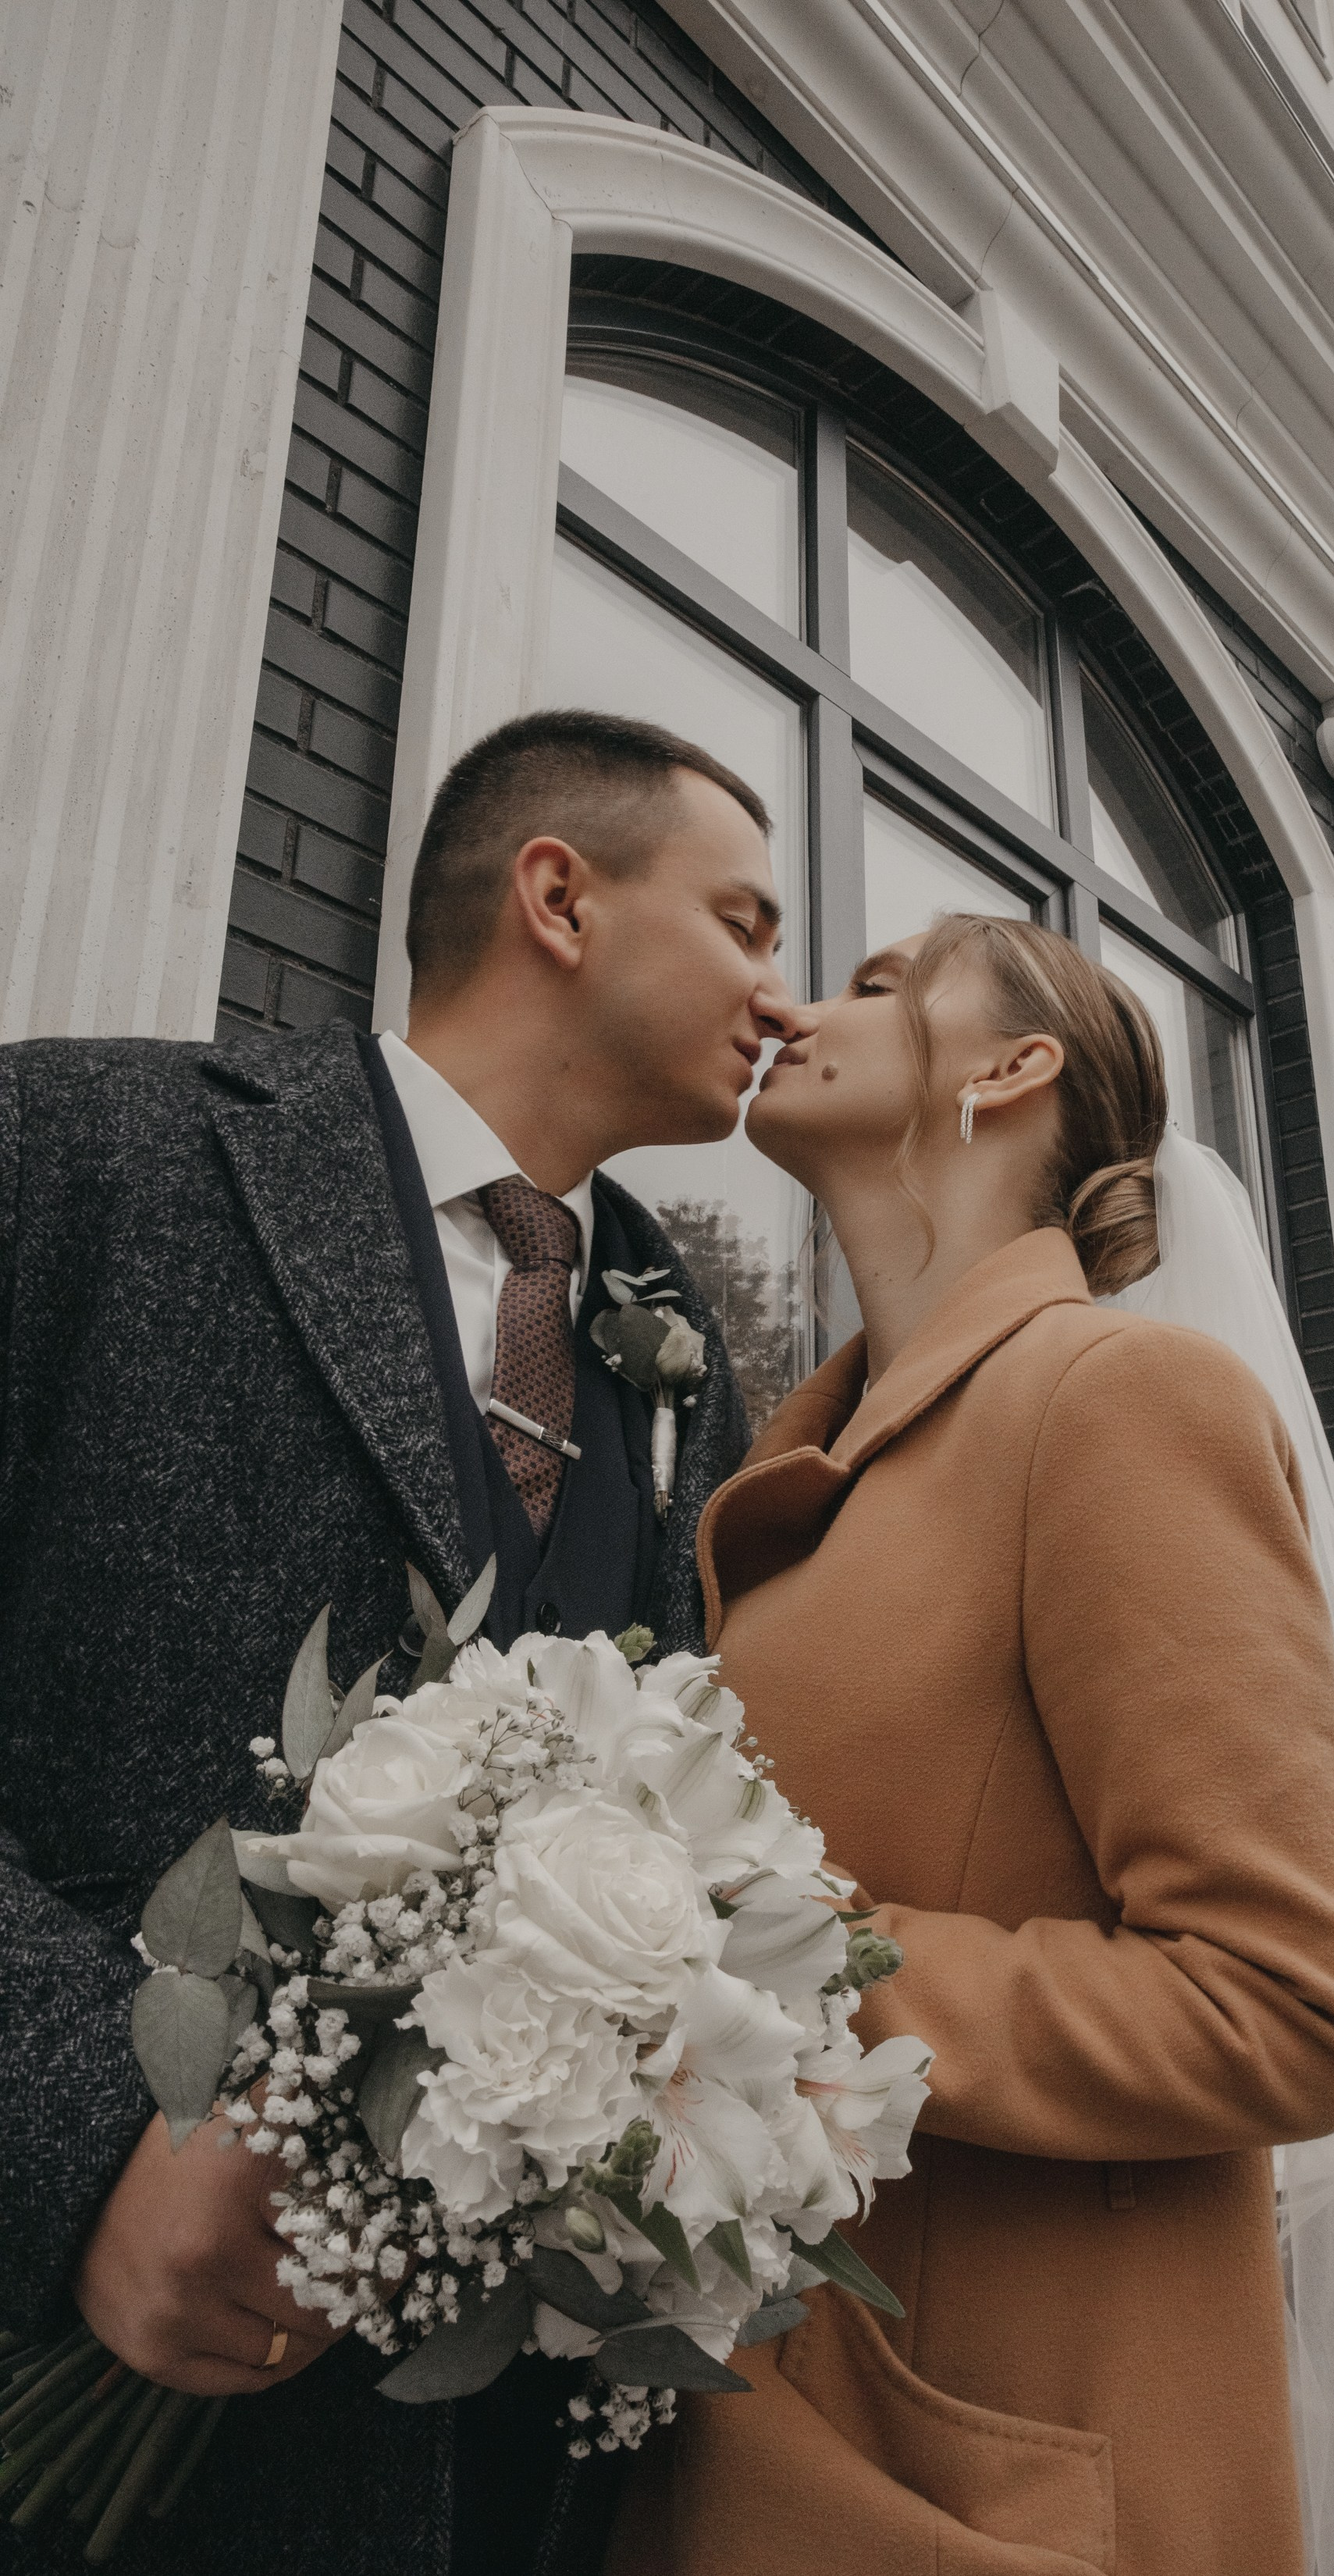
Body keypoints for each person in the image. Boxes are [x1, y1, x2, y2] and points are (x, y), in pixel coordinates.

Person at [0, 709, 797, 2576]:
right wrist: (71, 2136)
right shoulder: (79, 1149)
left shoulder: (682, 1364)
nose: (782, 994)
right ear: (559, 900)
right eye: (745, 921)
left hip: (501, 2478)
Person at [607, 914, 1334, 2576]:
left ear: (1012, 1070)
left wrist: (745, 1971)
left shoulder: (1120, 1397)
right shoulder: (807, 1462)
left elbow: (1284, 2008)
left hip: (991, 2469)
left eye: (878, 986)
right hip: (754, 2426)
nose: (796, 1006)